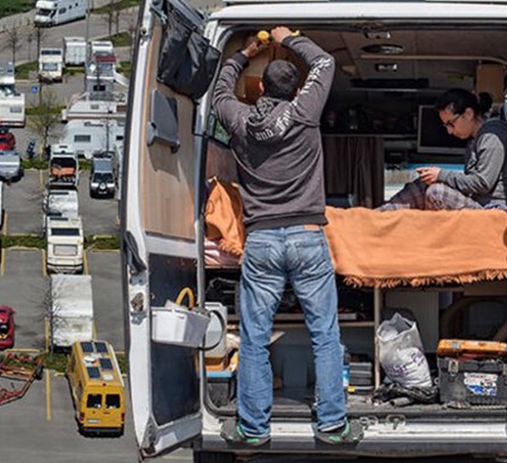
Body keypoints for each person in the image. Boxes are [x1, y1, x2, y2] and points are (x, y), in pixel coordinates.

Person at [211, 27, 363, 446]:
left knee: (255, 339)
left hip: (261, 240)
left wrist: (244, 53)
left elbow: (220, 90)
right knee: (325, 335)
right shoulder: (304, 112)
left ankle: (254, 430)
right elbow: (325, 63)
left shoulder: (238, 119)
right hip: (308, 238)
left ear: (259, 88)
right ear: (297, 88)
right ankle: (332, 425)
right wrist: (290, 36)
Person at [379, 89, 507, 211]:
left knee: (436, 192)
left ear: (468, 114)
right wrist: (437, 176)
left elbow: (483, 183)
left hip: (492, 208)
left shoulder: (491, 134)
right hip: (477, 202)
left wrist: (441, 175)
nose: (449, 131)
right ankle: (377, 217)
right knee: (424, 183)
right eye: (446, 126)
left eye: (451, 124)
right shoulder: (473, 140)